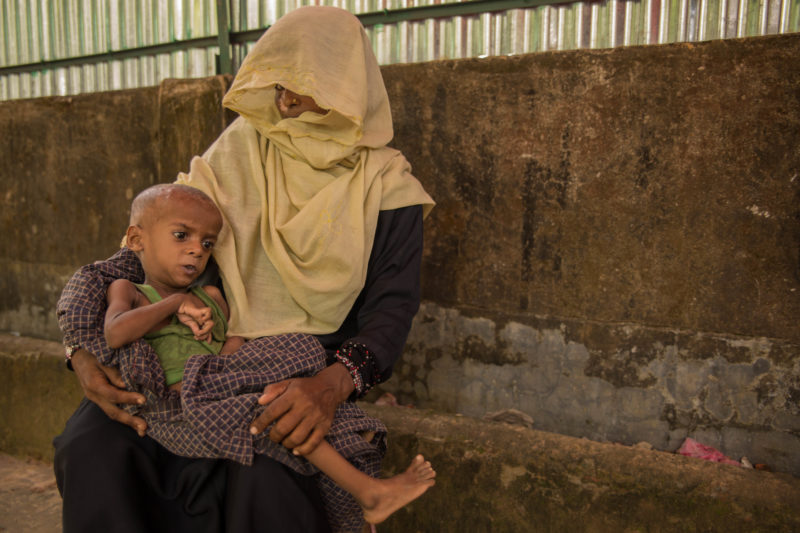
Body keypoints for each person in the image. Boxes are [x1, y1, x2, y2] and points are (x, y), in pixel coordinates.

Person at [54, 5, 435, 533]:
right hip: (191, 353)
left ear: (343, 88)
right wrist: (78, 351)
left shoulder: (386, 185)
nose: (282, 103)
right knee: (92, 444)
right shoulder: (240, 151)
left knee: (268, 478)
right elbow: (132, 259)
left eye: (299, 89)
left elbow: (390, 313)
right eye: (278, 86)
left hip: (303, 370)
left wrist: (331, 384)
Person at [103, 183, 435, 527]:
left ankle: (352, 444)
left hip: (218, 384)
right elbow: (115, 333)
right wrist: (173, 304)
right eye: (181, 235)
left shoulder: (210, 296)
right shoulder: (129, 290)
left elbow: (228, 346)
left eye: (206, 244)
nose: (196, 252)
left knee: (287, 371)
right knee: (270, 411)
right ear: (137, 239)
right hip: (178, 402)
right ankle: (370, 492)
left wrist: (226, 345)